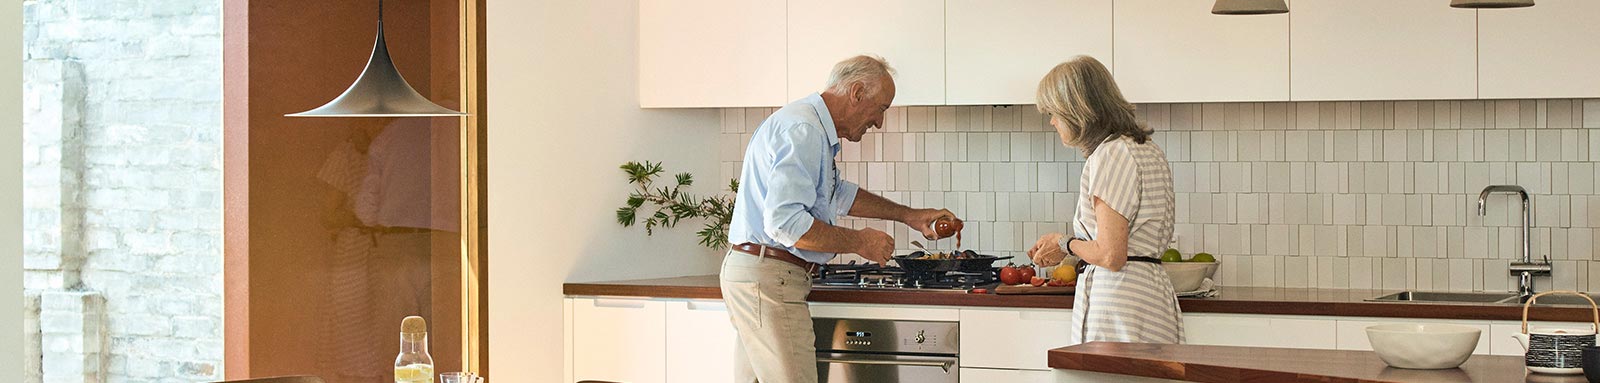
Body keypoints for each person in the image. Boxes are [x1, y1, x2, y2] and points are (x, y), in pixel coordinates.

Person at [723, 55, 958, 383]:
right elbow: (787, 223)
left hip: (758, 275)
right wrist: (860, 241)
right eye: (881, 109)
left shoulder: (809, 127)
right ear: (857, 92)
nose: (878, 122)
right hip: (770, 277)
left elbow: (836, 194)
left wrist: (909, 216)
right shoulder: (804, 130)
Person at [1026, 55, 1184, 345]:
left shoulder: (1111, 155)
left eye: (1054, 112)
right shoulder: (1145, 148)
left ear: (1076, 111)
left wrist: (1064, 243)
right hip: (1150, 296)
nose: (1051, 121)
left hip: (1119, 304)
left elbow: (1111, 255)